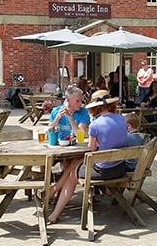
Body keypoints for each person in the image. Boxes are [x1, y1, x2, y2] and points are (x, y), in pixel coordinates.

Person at [47, 90, 127, 224]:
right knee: (76, 163)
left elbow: (90, 150)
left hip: (104, 170)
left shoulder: (95, 125)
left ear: (96, 107)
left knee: (73, 173)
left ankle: (54, 211)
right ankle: (55, 191)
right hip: (120, 167)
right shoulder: (121, 119)